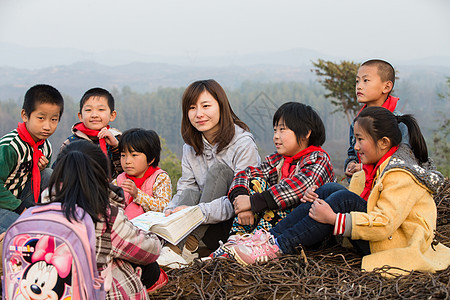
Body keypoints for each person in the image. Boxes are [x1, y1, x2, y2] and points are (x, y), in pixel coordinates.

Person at [228, 107, 450, 275]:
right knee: (329, 189)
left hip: (395, 242)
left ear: (383, 142)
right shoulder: (374, 168)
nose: (355, 147)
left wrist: (335, 219)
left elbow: (385, 224)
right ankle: (267, 239)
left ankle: (277, 247)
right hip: (382, 236)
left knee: (342, 198)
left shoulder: (399, 174)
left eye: (360, 140)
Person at [211, 102, 336, 258]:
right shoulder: (278, 160)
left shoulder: (318, 158)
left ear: (305, 133)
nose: (276, 136)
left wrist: (253, 202)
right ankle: (235, 241)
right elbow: (247, 173)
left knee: (280, 199)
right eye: (275, 130)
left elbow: (297, 188)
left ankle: (256, 245)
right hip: (272, 228)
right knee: (255, 181)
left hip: (306, 232)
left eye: (282, 130)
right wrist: (243, 200)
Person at [47, 140, 166, 298]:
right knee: (150, 267)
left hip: (47, 286)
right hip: (94, 292)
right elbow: (150, 250)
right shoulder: (104, 215)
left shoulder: (42, 206)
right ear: (102, 175)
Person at [162, 79, 261, 266]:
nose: (199, 114)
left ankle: (188, 246)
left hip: (233, 223)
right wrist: (171, 209)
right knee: (189, 192)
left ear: (221, 107)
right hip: (201, 221)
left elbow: (243, 201)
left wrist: (196, 213)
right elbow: (186, 188)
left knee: (220, 171)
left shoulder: (243, 144)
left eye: (206, 106)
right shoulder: (189, 148)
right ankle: (174, 250)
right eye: (192, 108)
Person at [0, 84, 64, 234]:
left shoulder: (45, 146)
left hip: (22, 198)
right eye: (41, 118)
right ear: (25, 115)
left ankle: (53, 217)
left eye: (54, 119)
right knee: (24, 230)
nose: (47, 126)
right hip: (4, 204)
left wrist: (39, 168)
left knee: (48, 174)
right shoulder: (10, 146)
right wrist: (20, 209)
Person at [344, 59, 409, 181]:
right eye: (357, 81)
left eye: (366, 80)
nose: (359, 86)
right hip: (361, 184)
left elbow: (404, 162)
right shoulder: (358, 122)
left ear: (386, 86)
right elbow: (353, 153)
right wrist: (351, 165)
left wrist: (365, 168)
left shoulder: (398, 123)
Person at [59, 87, 123, 178]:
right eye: (88, 110)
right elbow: (59, 173)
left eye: (101, 110)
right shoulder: (71, 143)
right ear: (80, 116)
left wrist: (116, 147)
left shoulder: (118, 139)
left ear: (112, 115)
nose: (94, 115)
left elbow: (126, 172)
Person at [112, 128, 172, 220]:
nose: (127, 161)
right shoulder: (120, 180)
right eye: (123, 155)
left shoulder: (160, 178)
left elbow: (164, 207)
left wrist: (137, 194)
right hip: (125, 228)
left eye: (134, 155)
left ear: (151, 159)